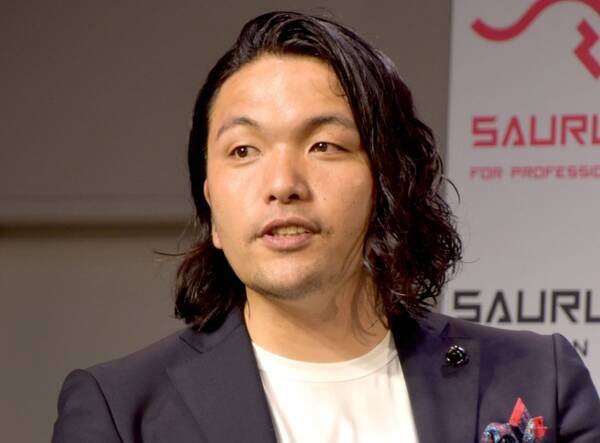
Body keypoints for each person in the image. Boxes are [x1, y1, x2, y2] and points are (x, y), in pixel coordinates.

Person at [52, 11, 600, 443]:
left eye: (323, 145)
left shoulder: (538, 378)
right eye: (243, 150)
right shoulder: (120, 412)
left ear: (388, 179)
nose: (282, 184)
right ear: (210, 203)